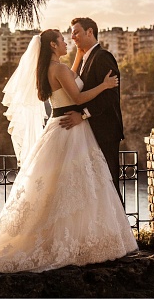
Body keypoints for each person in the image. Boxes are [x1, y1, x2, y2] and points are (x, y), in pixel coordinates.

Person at [0, 29, 137, 287]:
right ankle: (76, 241)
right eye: (62, 40)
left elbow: (68, 79)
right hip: (70, 129)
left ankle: (64, 238)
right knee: (77, 186)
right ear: (52, 45)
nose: (66, 42)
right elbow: (78, 97)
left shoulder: (50, 69)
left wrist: (78, 56)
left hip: (58, 126)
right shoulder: (59, 70)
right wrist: (105, 86)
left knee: (59, 188)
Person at [58, 17, 125, 195]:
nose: (73, 37)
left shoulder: (103, 57)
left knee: (109, 186)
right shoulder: (85, 59)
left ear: (90, 32)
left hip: (105, 131)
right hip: (90, 133)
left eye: (76, 32)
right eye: (71, 33)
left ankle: (117, 224)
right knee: (97, 189)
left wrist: (83, 115)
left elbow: (110, 96)